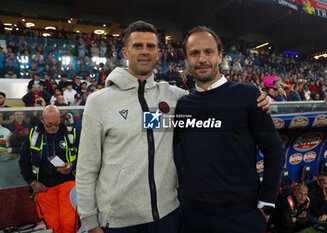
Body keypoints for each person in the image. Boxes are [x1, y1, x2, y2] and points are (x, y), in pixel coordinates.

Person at [76, 21, 270, 233]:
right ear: (125, 51)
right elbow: (86, 168)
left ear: (158, 53)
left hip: (169, 216)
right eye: (137, 46)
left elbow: (209, 98)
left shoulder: (174, 97)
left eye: (150, 46)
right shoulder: (99, 102)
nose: (144, 52)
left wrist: (259, 99)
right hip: (120, 222)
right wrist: (90, 222)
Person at [175, 26, 284, 233]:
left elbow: (274, 150)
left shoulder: (248, 95)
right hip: (193, 217)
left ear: (220, 56)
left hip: (242, 217)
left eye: (208, 52)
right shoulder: (182, 105)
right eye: (194, 53)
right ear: (187, 59)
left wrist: (267, 204)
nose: (202, 59)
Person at [19, 105, 79, 233]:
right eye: (49, 124)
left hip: (68, 184)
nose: (53, 127)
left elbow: (86, 157)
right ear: (42, 120)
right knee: (53, 226)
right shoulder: (33, 135)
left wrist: (72, 165)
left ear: (60, 119)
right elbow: (23, 162)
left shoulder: (71, 132)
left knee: (69, 224)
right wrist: (32, 182)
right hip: (44, 187)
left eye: (57, 124)